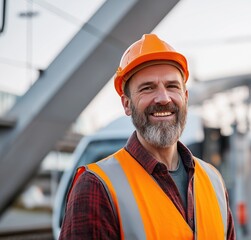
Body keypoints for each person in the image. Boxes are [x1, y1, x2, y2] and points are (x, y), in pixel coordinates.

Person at [59, 34, 236, 239]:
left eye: (172, 86)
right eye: (148, 88)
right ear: (127, 104)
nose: (163, 98)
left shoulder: (214, 181)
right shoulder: (96, 187)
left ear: (185, 98)